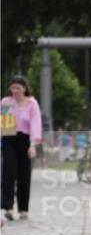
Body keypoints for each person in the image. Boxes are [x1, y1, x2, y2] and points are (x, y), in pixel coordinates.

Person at [1, 76, 42, 221]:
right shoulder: (6, 102)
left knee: (24, 175)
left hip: (25, 140)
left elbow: (35, 125)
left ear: (24, 88)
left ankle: (23, 209)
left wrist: (32, 145)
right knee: (8, 173)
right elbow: (4, 126)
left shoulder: (32, 104)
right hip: (9, 138)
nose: (15, 91)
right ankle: (7, 207)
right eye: (12, 88)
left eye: (18, 88)